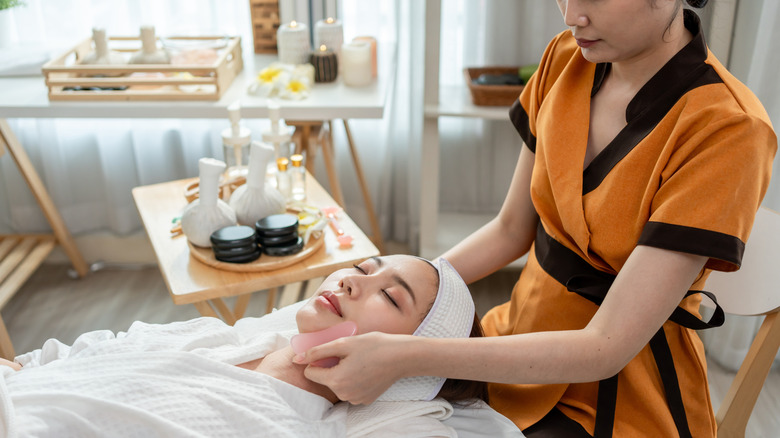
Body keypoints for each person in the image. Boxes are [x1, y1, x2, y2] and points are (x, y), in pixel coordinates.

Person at [294, 1, 778, 437]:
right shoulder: (567, 57)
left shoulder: (729, 130)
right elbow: (511, 230)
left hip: (614, 393)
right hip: (516, 336)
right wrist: (399, 290)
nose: (571, 16)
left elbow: (605, 347)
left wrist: (405, 354)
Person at [0, 255, 490, 437]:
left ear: (407, 364)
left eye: (389, 294)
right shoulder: (212, 337)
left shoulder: (282, 424)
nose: (350, 282)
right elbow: (52, 361)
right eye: (361, 268)